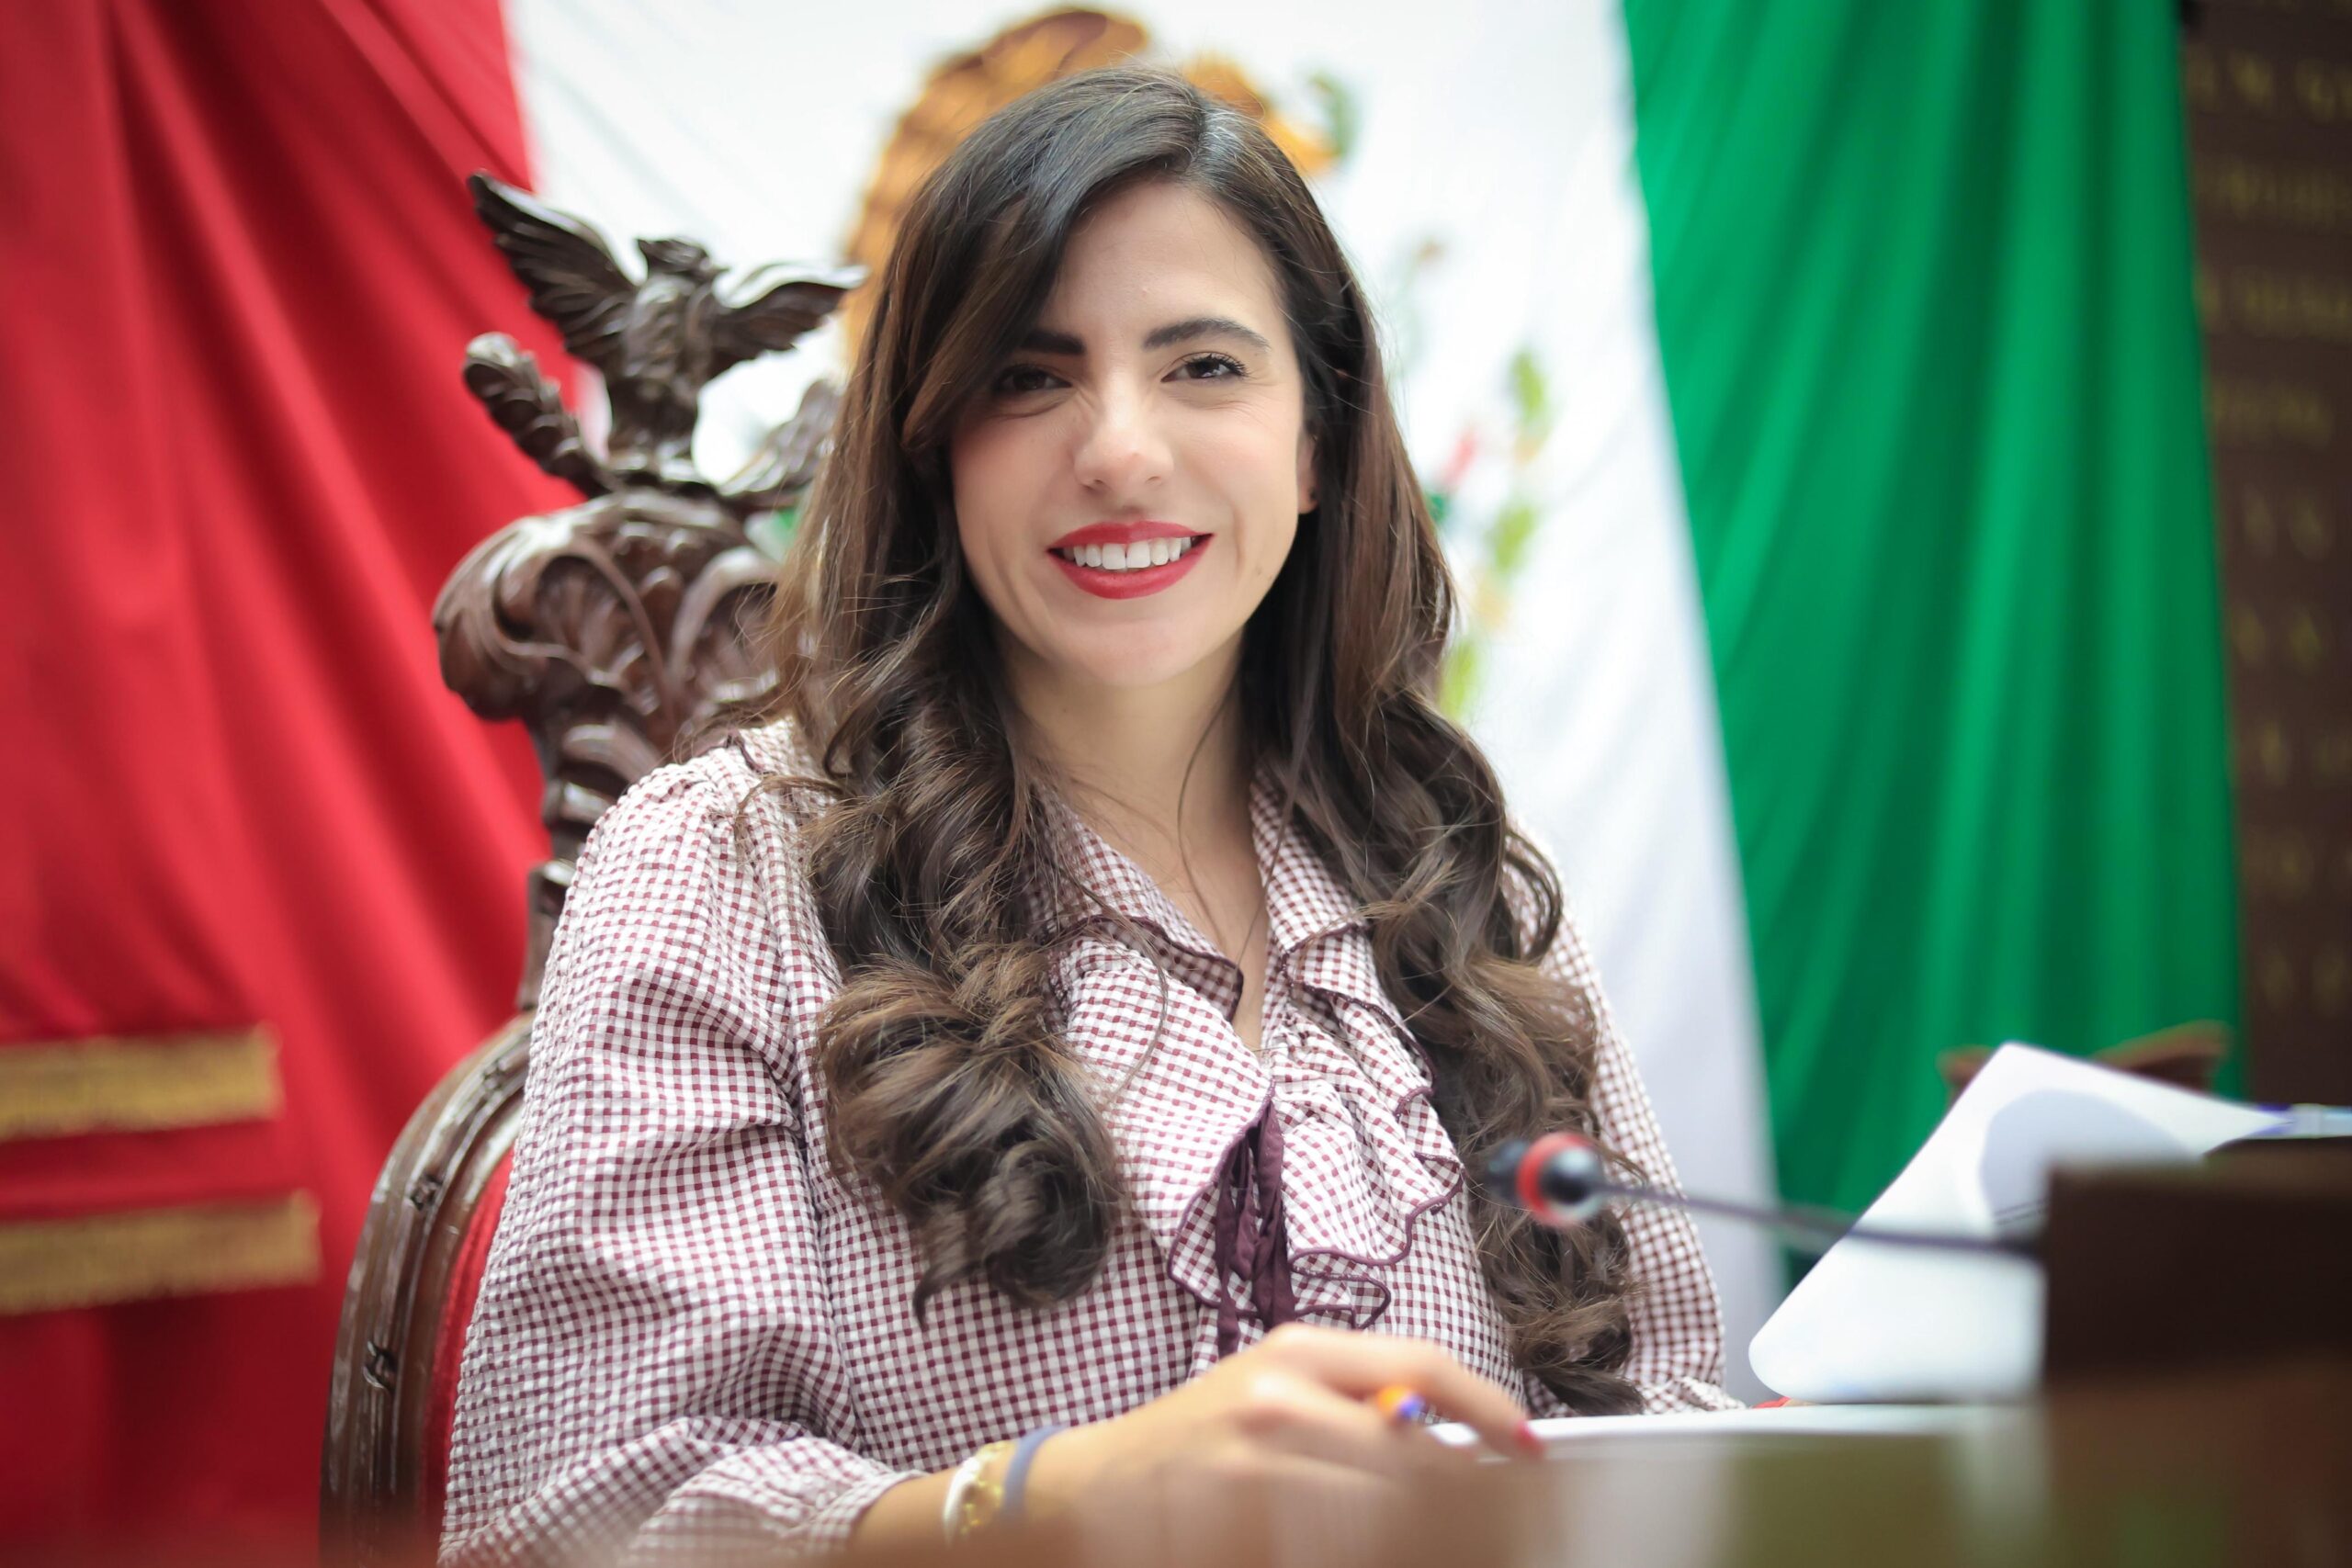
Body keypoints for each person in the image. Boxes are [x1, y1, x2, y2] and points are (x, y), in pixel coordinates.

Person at [439, 64, 1736, 1567]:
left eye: (1204, 367)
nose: (1120, 450)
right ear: (932, 445)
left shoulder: (1463, 881)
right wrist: (1050, 1503)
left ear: (1318, 440)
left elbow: (1665, 1419)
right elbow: (570, 1518)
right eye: (1028, 376)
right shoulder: (719, 870)